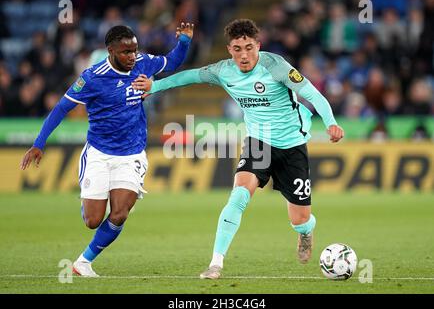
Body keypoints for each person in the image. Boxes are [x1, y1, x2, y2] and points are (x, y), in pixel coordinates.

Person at [132, 19, 344, 279]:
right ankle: (216, 263)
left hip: (292, 145)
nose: (244, 55)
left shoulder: (275, 66)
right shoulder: (223, 71)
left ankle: (306, 232)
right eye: (237, 48)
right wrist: (156, 86)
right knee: (238, 196)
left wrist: (331, 123)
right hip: (258, 141)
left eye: (249, 47)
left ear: (258, 45)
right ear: (229, 49)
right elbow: (190, 76)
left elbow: (312, 94)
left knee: (300, 219)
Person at [20, 23, 194, 277]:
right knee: (92, 220)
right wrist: (39, 143)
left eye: (134, 50)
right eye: (126, 52)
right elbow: (61, 108)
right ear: (110, 51)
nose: (132, 56)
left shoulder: (143, 62)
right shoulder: (92, 77)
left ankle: (83, 262)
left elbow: (172, 61)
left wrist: (185, 42)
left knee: (120, 213)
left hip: (132, 153)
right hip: (99, 154)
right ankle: (90, 200)